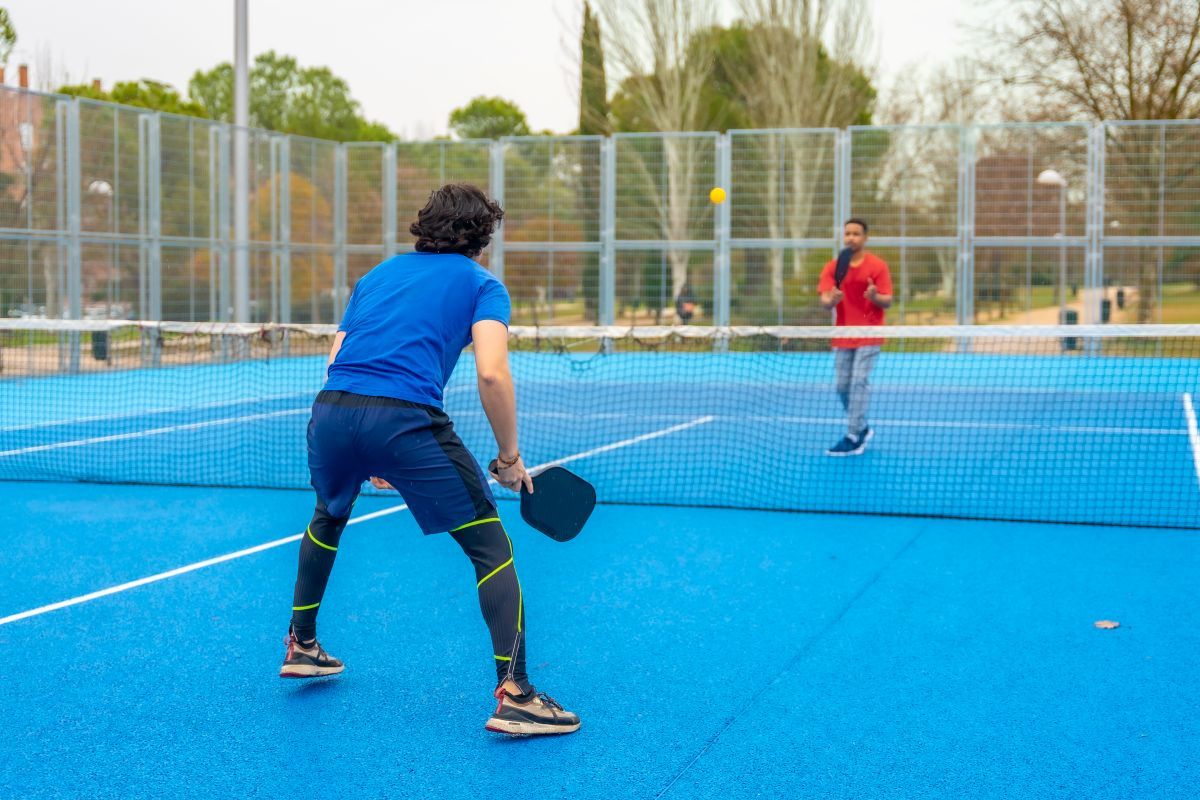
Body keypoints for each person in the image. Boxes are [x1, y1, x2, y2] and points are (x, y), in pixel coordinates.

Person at [280, 183, 580, 737]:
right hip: (404, 419)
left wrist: (363, 443)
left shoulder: (375, 276)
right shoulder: (482, 284)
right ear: (483, 238)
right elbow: (491, 371)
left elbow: (336, 358)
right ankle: (516, 694)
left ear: (425, 226)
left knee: (328, 515)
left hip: (332, 412)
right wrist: (509, 458)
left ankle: (301, 644)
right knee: (490, 545)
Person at [817, 218, 893, 456]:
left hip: (870, 332)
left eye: (856, 234)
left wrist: (874, 296)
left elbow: (888, 300)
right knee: (842, 386)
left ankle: (853, 435)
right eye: (847, 233)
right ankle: (862, 427)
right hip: (843, 334)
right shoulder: (833, 267)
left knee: (858, 381)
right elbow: (825, 301)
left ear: (865, 238)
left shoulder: (877, 266)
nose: (851, 238)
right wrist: (832, 301)